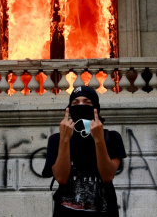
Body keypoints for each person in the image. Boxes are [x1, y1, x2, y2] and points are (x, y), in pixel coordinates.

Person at [42, 86, 126, 217]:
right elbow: (61, 178)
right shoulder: (56, 140)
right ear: (69, 109)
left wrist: (99, 140)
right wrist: (64, 140)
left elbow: (107, 176)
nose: (81, 106)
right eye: (75, 103)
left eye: (87, 102)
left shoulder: (112, 137)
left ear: (96, 108)